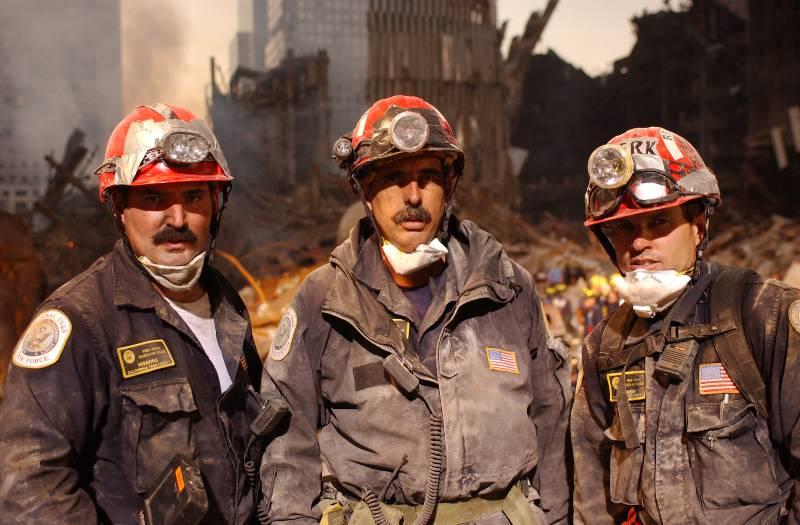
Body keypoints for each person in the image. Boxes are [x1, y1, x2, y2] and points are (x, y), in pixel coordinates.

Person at [259, 95, 571, 524]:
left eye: (427, 176)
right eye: (393, 178)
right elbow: (285, 446)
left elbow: (552, 424)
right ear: (365, 191)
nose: (413, 195)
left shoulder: (506, 287)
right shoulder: (326, 299)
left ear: (449, 186)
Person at [0, 103, 271, 524]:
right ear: (120, 207)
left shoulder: (227, 305)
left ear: (215, 204)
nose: (177, 218)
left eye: (194, 196)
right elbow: (30, 485)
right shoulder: (80, 322)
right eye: (154, 198)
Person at [571, 127, 800, 524]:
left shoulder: (761, 314)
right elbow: (591, 489)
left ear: (698, 226)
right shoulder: (606, 345)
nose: (639, 243)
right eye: (624, 228)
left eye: (658, 222)